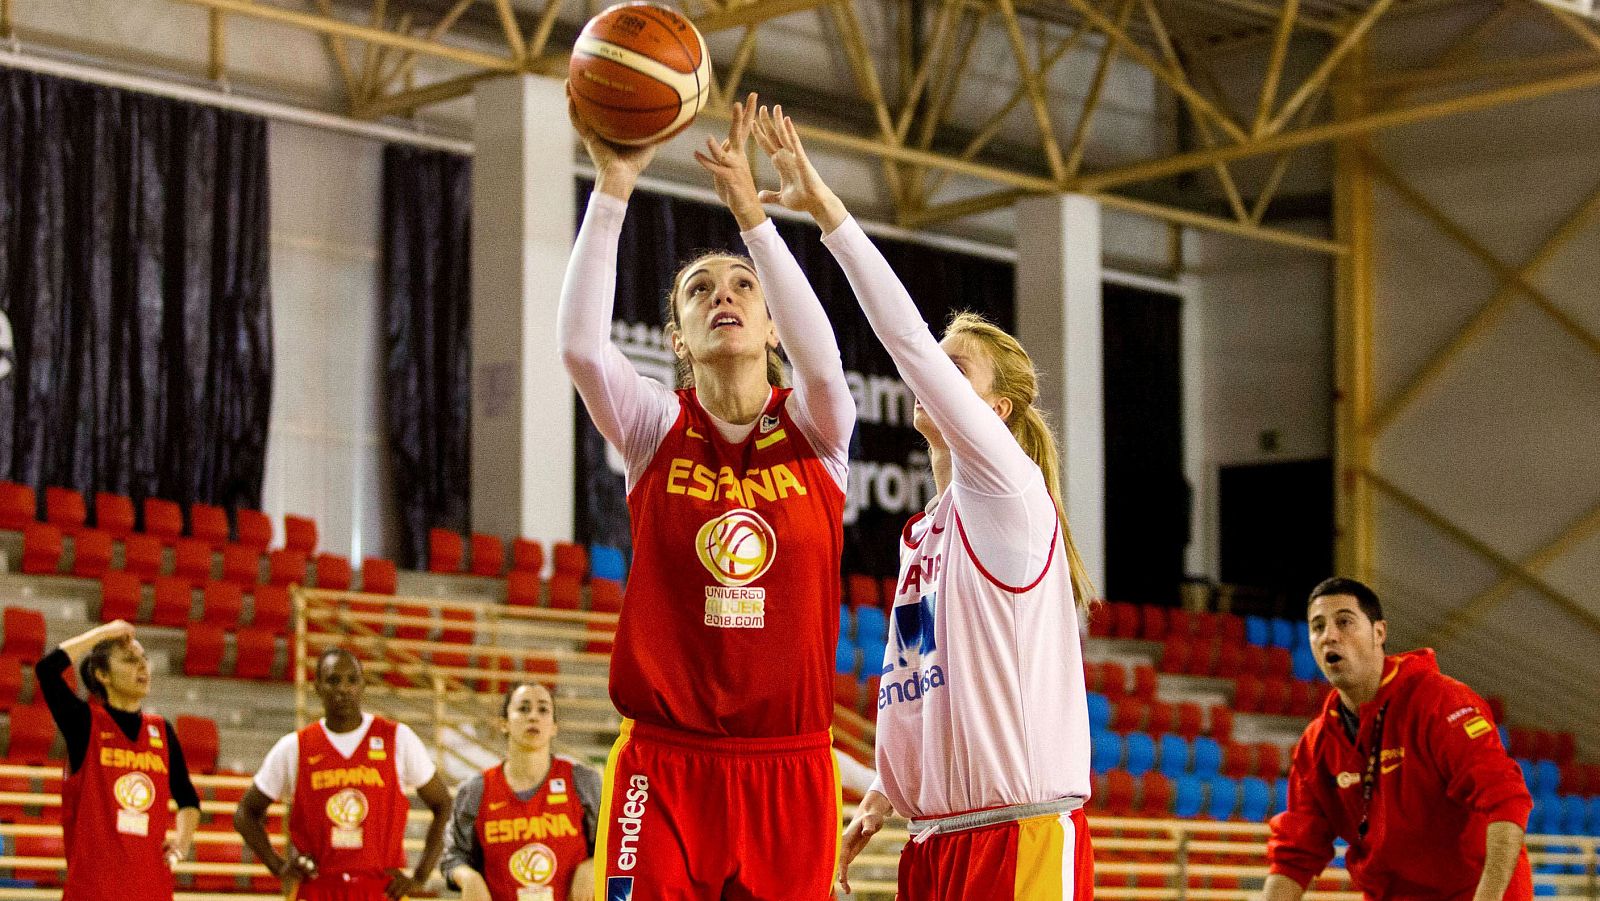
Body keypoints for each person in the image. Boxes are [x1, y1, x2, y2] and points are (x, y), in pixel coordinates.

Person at [746, 106, 1097, 899]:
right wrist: (885, 790)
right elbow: (915, 675)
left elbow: (902, 338)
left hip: (1021, 831)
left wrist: (827, 213)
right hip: (934, 839)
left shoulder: (1011, 489)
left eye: (952, 368)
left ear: (995, 412)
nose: (928, 373)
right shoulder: (924, 533)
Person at [560, 92, 854, 899]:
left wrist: (752, 215)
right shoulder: (656, 425)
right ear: (675, 339)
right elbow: (582, 348)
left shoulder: (819, 431)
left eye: (741, 287)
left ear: (771, 328)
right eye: (697, 290)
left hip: (789, 762)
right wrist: (614, 185)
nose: (722, 295)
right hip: (665, 758)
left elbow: (824, 364)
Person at [1263, 577, 1532, 901]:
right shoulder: (1317, 743)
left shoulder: (1441, 701)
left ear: (1379, 633)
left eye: (1344, 622)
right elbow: (1295, 855)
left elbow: (1506, 800)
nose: (1329, 636)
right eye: (1317, 627)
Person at [233, 647, 452, 900]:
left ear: (362, 685)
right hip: (316, 886)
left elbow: (443, 804)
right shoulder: (295, 746)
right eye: (333, 680)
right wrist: (279, 866)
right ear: (318, 687)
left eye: (352, 680)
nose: (343, 689)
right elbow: (245, 814)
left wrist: (420, 877)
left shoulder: (397, 738)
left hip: (381, 888)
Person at [35, 619, 200, 900]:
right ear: (102, 674)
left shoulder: (161, 730)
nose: (142, 666)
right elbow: (47, 670)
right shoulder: (85, 724)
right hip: (94, 890)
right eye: (129, 660)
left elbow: (188, 800)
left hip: (151, 889)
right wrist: (103, 633)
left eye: (143, 659)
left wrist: (181, 845)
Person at [441, 681, 602, 901]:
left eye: (543, 709)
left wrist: (594, 864)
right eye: (523, 709)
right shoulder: (475, 791)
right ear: (504, 723)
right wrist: (467, 877)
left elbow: (617, 847)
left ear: (554, 726)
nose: (533, 716)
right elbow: (453, 857)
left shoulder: (582, 782)